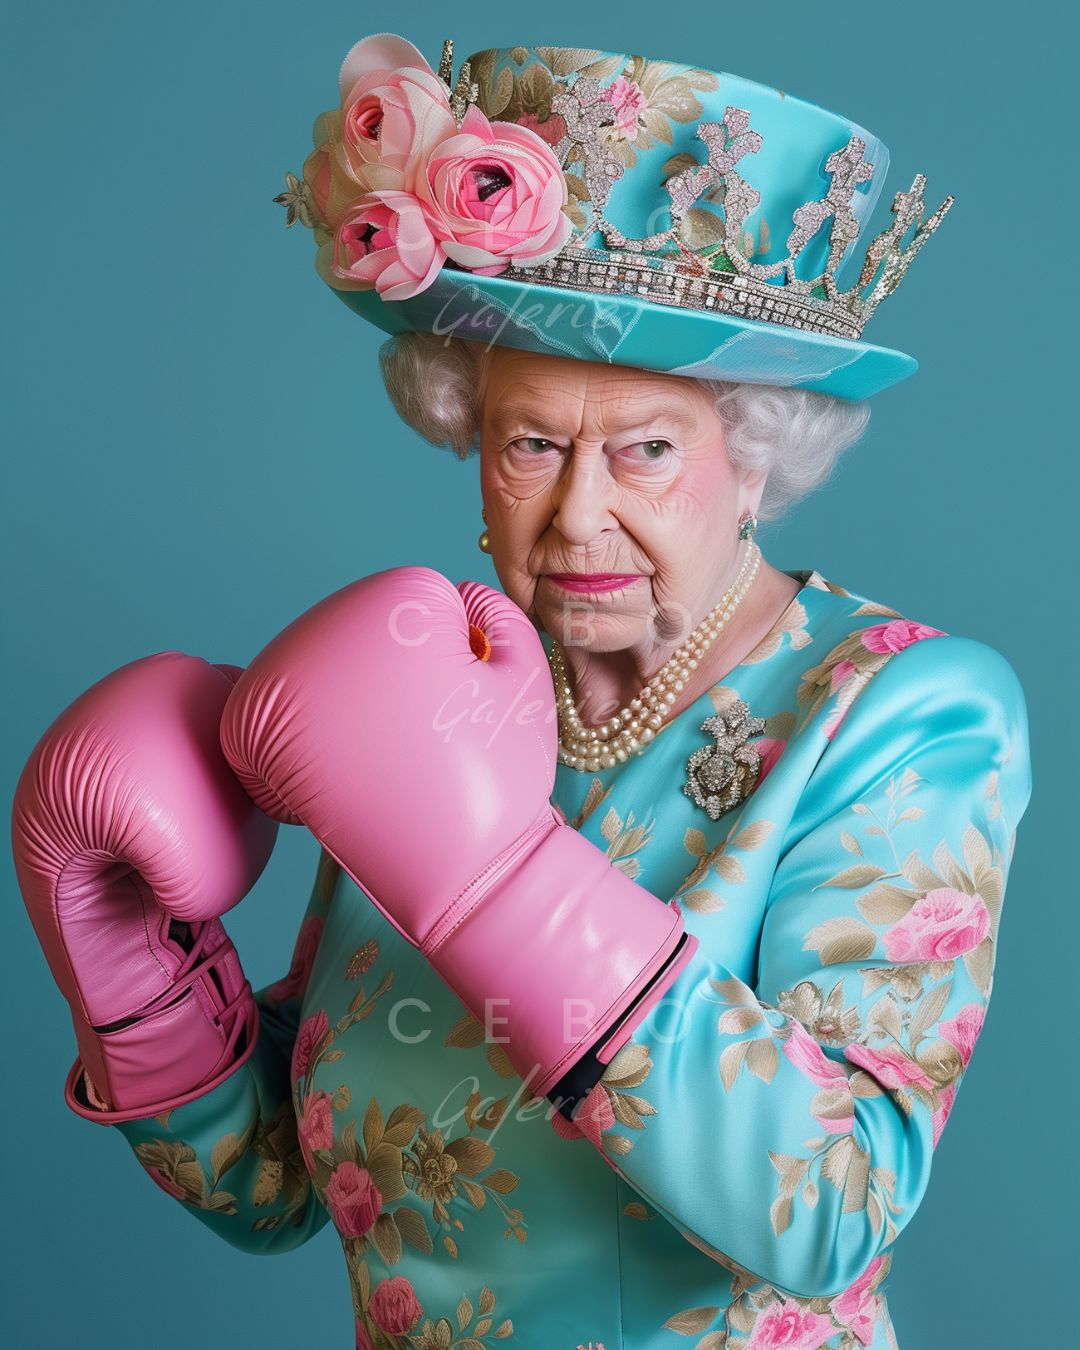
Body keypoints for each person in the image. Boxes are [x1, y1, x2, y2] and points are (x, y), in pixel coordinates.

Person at [11, 32, 1031, 1350]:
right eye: (532, 443)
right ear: (470, 442)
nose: (580, 512)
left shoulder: (896, 709)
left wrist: (495, 880)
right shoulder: (439, 691)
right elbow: (280, 1187)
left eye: (645, 448)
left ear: (756, 458)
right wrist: (128, 963)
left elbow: (836, 1209)